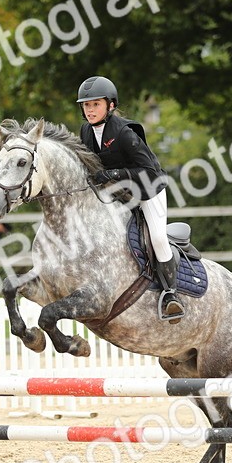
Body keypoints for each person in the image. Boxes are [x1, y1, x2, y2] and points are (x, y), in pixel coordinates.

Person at [76, 76, 184, 321]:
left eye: (95, 104)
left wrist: (115, 173)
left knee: (157, 237)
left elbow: (149, 171)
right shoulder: (85, 131)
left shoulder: (125, 133)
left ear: (110, 105)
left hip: (148, 189)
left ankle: (171, 293)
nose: (90, 110)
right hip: (117, 193)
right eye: (86, 105)